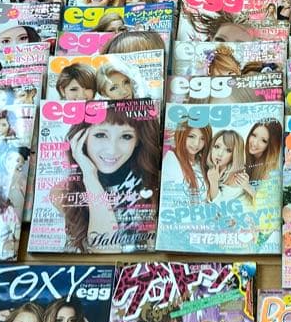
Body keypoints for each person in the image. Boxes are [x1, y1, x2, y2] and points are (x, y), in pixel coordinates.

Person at [51, 108, 162, 252]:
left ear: (138, 141)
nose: (112, 150)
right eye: (101, 135)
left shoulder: (152, 186)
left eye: (126, 136)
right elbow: (105, 249)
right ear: (81, 138)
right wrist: (90, 176)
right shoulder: (63, 192)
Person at [162, 120, 212, 206]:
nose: (196, 143)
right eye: (191, 136)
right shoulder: (171, 158)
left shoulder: (202, 163)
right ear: (182, 135)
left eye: (202, 138)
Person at [205, 129, 250, 205]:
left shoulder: (238, 178)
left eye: (228, 150)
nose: (220, 154)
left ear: (235, 154)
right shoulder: (208, 168)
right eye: (217, 147)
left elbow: (219, 206)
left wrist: (213, 182)